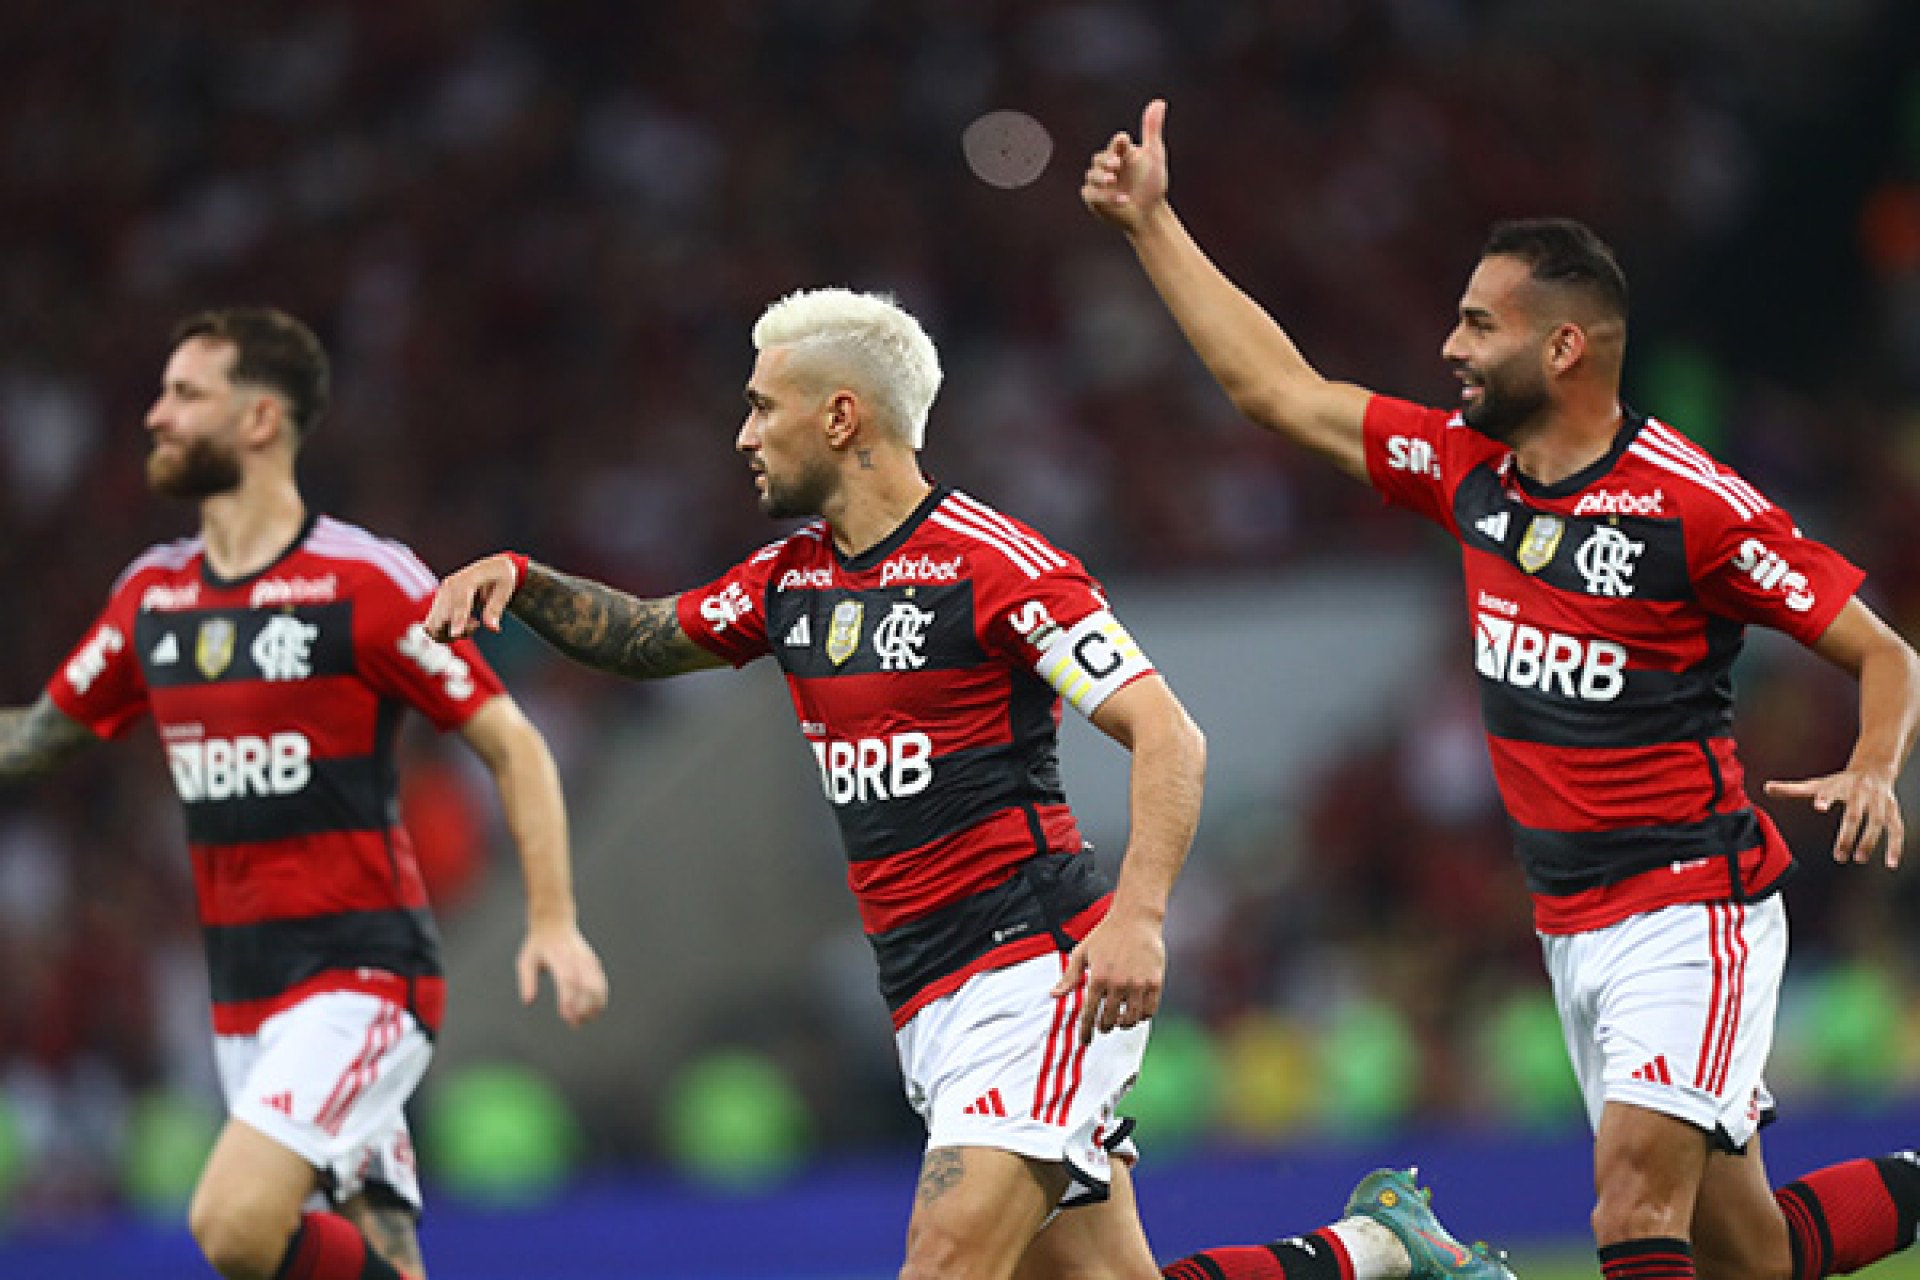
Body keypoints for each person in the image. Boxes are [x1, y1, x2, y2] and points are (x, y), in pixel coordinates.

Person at [425, 285, 1510, 1280]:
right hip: (927, 994)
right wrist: (523, 579)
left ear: (841, 417)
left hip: (1037, 972)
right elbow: (652, 635)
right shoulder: (790, 581)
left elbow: (1169, 734)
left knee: (942, 1262)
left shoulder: (996, 563)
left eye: (763, 408)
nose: (744, 436)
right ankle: (1374, 1246)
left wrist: (1138, 916)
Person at [1083, 99, 1920, 1280]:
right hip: (1571, 921)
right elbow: (1279, 390)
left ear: (1564, 347)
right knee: (1753, 1251)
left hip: (1695, 906)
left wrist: (1876, 759)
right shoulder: (1464, 467)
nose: (1450, 347)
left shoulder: (1695, 504)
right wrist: (1152, 225)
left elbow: (1886, 648)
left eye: (1479, 323)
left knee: (1632, 1204)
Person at [0, 308, 609, 1280]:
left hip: (361, 980)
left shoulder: (363, 582)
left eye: (186, 394)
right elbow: (33, 739)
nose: (156, 414)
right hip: (242, 997)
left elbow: (512, 741)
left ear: (260, 421)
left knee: (234, 1223)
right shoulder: (153, 597)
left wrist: (553, 917)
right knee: (376, 1254)